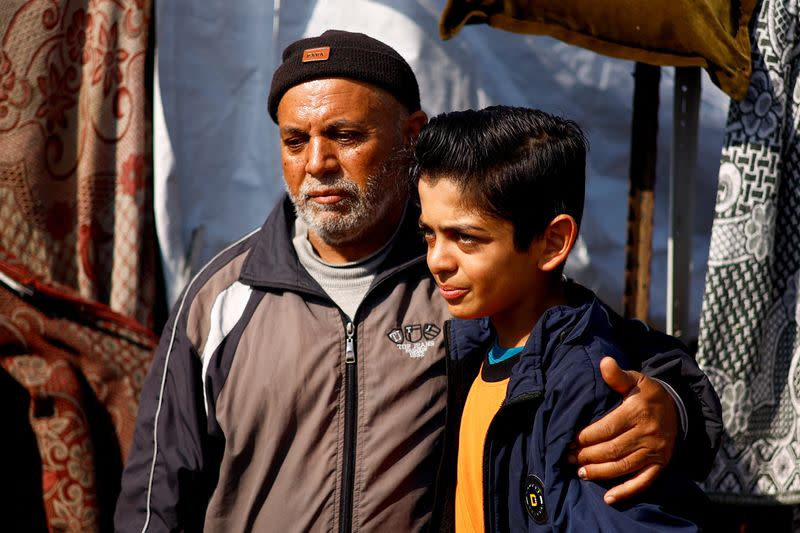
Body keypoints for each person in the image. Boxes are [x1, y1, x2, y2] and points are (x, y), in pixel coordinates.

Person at [115, 30, 722, 532]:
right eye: (295, 141)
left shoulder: (469, 278)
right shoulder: (221, 297)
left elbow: (607, 351)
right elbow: (156, 493)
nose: (317, 163)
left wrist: (670, 407)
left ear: (410, 137)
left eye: (345, 136)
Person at [414, 106, 711, 532]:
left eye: (465, 237)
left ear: (552, 242)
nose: (438, 260)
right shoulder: (476, 341)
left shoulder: (585, 387)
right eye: (429, 233)